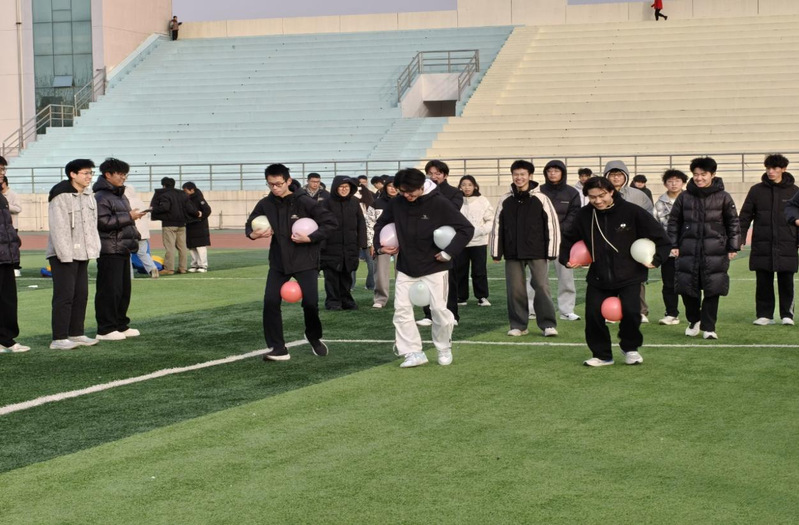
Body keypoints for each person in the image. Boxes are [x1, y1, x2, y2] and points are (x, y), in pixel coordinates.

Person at [560, 177, 671, 366]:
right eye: (592, 197)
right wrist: (566, 259)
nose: (597, 200)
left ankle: (630, 349)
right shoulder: (584, 215)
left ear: (611, 191)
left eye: (602, 195)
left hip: (629, 275)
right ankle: (602, 355)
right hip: (598, 276)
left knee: (631, 313)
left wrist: (657, 259)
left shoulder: (632, 212)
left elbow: (661, 238)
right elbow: (569, 238)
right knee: (593, 316)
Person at [373, 168, 473, 368]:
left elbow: (466, 229)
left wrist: (448, 253)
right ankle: (412, 352)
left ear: (421, 187)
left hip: (435, 266)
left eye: (410, 192)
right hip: (406, 266)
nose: (406, 196)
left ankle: (443, 347)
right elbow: (380, 225)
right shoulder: (397, 203)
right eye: (402, 191)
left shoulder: (439, 202)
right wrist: (380, 246)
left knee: (439, 310)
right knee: (401, 310)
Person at [245, 164, 338, 361]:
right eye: (271, 184)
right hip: (279, 262)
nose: (275, 188)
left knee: (310, 303)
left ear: (288, 181)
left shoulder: (304, 201)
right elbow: (250, 223)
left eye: (278, 184)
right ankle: (278, 348)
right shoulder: (265, 203)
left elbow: (331, 222)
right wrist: (253, 234)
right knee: (270, 302)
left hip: (305, 260)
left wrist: (310, 237)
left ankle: (313, 336)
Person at [667, 157, 740, 340]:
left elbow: (733, 222)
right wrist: (674, 244)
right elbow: (674, 222)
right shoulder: (684, 197)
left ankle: (709, 327)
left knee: (712, 289)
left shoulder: (724, 197)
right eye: (696, 174)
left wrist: (732, 246)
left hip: (715, 250)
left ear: (712, 175)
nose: (699, 178)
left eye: (703, 174)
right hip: (688, 249)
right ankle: (694, 320)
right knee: (687, 288)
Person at [490, 160, 560, 338]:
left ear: (530, 176)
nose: (519, 178)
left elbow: (552, 225)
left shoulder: (542, 198)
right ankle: (518, 325)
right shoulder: (505, 200)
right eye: (516, 174)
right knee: (515, 289)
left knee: (541, 286)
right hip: (513, 252)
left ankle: (548, 324)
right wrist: (496, 252)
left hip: (537, 250)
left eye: (522, 174)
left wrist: (552, 251)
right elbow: (497, 226)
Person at [46, 159, 102, 350]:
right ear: (73, 174)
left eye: (91, 173)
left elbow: (92, 224)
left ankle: (76, 333)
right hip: (63, 254)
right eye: (85, 173)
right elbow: (58, 227)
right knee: (64, 296)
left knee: (81, 295)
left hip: (82, 253)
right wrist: (65, 254)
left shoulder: (89, 195)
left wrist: (92, 249)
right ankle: (59, 338)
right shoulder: (60, 195)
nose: (89, 177)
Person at [739, 154, 798, 326]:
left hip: (787, 242)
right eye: (768, 168)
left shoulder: (794, 191)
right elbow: (744, 217)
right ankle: (764, 315)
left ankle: (787, 315)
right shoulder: (756, 190)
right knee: (763, 279)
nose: (771, 171)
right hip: (762, 242)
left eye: (775, 168)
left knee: (786, 279)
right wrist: (740, 238)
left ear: (783, 169)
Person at [93, 158, 145, 341]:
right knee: (109, 290)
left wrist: (133, 229)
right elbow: (103, 222)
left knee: (122, 290)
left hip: (122, 247)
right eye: (120, 174)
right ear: (108, 174)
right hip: (109, 249)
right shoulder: (100, 197)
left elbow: (121, 220)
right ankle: (105, 329)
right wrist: (129, 216)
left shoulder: (120, 195)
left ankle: (120, 324)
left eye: (125, 174)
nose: (123, 177)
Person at [530, 160, 582, 321]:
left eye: (556, 171)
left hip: (563, 241)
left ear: (563, 173)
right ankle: (532, 309)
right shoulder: (537, 191)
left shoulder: (572, 193)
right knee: (535, 276)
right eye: (549, 171)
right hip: (540, 241)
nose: (552, 173)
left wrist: (557, 231)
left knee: (566, 276)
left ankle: (566, 310)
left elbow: (574, 215)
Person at [604, 160, 655, 323]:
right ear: (606, 176)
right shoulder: (600, 194)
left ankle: (640, 310)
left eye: (619, 174)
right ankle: (613, 311)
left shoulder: (638, 195)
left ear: (625, 176)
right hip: (609, 242)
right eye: (612, 174)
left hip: (634, 242)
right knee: (610, 276)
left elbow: (648, 217)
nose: (616, 178)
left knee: (636, 277)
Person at [418, 159, 464, 326]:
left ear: (445, 175)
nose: (434, 176)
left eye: (438, 173)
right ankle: (428, 314)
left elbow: (452, 211)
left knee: (448, 279)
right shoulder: (421, 192)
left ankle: (451, 314)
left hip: (446, 241)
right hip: (425, 240)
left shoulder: (454, 192)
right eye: (430, 173)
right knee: (425, 279)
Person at [320, 176, 366, 310]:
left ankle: (346, 301)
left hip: (350, 246)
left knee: (347, 275)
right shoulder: (326, 203)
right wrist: (322, 245)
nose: (344, 189)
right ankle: (333, 302)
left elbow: (361, 223)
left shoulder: (354, 202)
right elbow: (321, 224)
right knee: (332, 276)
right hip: (331, 247)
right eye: (341, 187)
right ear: (335, 188)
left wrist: (362, 242)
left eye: (347, 187)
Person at [654, 169, 688, 325]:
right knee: (668, 284)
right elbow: (655, 226)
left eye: (677, 181)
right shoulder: (660, 203)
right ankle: (671, 313)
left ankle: (694, 316)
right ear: (665, 184)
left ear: (683, 182)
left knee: (690, 283)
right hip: (668, 251)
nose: (674, 184)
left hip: (688, 250)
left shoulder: (690, 199)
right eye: (670, 181)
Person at [0, 166, 27, 353]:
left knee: (8, 300)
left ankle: (6, 339)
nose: (2, 173)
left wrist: (14, 242)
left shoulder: (3, 198)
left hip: (6, 256)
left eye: (3, 169)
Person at [455, 175, 493, 307]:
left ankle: (482, 297)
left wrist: (480, 231)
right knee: (460, 270)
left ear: (475, 186)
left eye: (470, 185)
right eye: (464, 185)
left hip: (479, 242)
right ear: (460, 186)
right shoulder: (456, 200)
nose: (467, 187)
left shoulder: (483, 200)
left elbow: (490, 220)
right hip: (460, 242)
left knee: (479, 270)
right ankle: (461, 297)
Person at [150, 176, 196, 275]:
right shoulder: (182, 194)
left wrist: (153, 209)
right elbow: (189, 208)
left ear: (164, 185)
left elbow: (165, 208)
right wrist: (197, 213)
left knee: (170, 247)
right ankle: (183, 268)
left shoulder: (164, 194)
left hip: (169, 224)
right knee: (182, 247)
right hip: (182, 224)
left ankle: (169, 269)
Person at [366, 176, 397, 308]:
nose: (393, 189)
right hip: (381, 242)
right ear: (385, 187)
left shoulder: (405, 202)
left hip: (402, 242)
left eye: (395, 186)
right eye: (390, 186)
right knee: (380, 272)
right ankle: (380, 299)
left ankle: (402, 298)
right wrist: (371, 243)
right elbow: (369, 224)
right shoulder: (376, 203)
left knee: (403, 272)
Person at [125, 184, 159, 279]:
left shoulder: (124, 202)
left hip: (131, 231)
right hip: (143, 233)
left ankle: (129, 275)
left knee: (126, 254)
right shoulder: (139, 201)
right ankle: (152, 269)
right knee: (143, 253)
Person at [182, 182, 212, 273]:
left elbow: (207, 210)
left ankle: (203, 265)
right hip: (190, 225)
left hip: (200, 226)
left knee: (200, 246)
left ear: (192, 190)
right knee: (192, 247)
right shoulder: (186, 199)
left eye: (186, 190)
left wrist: (200, 218)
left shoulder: (199, 198)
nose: (185, 192)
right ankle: (194, 265)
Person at [351, 177, 375, 291]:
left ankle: (369, 284)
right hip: (357, 233)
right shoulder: (365, 197)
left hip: (366, 234)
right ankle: (367, 284)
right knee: (357, 261)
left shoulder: (367, 200)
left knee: (370, 262)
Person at [1, 175, 22, 276]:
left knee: (13, 247)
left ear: (5, 183)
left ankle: (16, 267)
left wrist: (6, 206)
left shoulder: (13, 194)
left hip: (11, 226)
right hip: (2, 227)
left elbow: (18, 208)